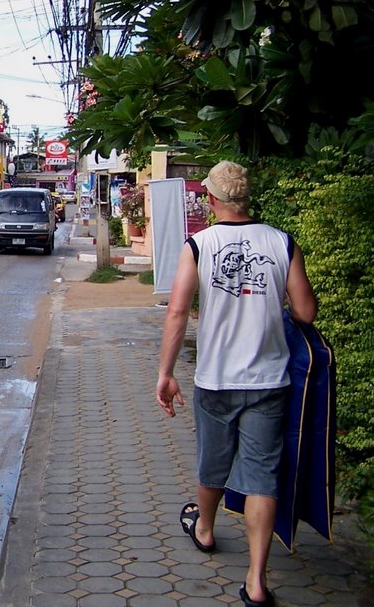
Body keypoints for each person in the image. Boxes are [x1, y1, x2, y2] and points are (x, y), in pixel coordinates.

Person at [156, 160, 317, 607]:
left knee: (214, 460)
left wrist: (166, 373)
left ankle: (204, 530)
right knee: (262, 476)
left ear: (211, 200)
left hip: (216, 378)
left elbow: (176, 311)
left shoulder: (199, 245)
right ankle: (256, 580)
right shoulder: (282, 242)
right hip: (270, 378)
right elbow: (305, 312)